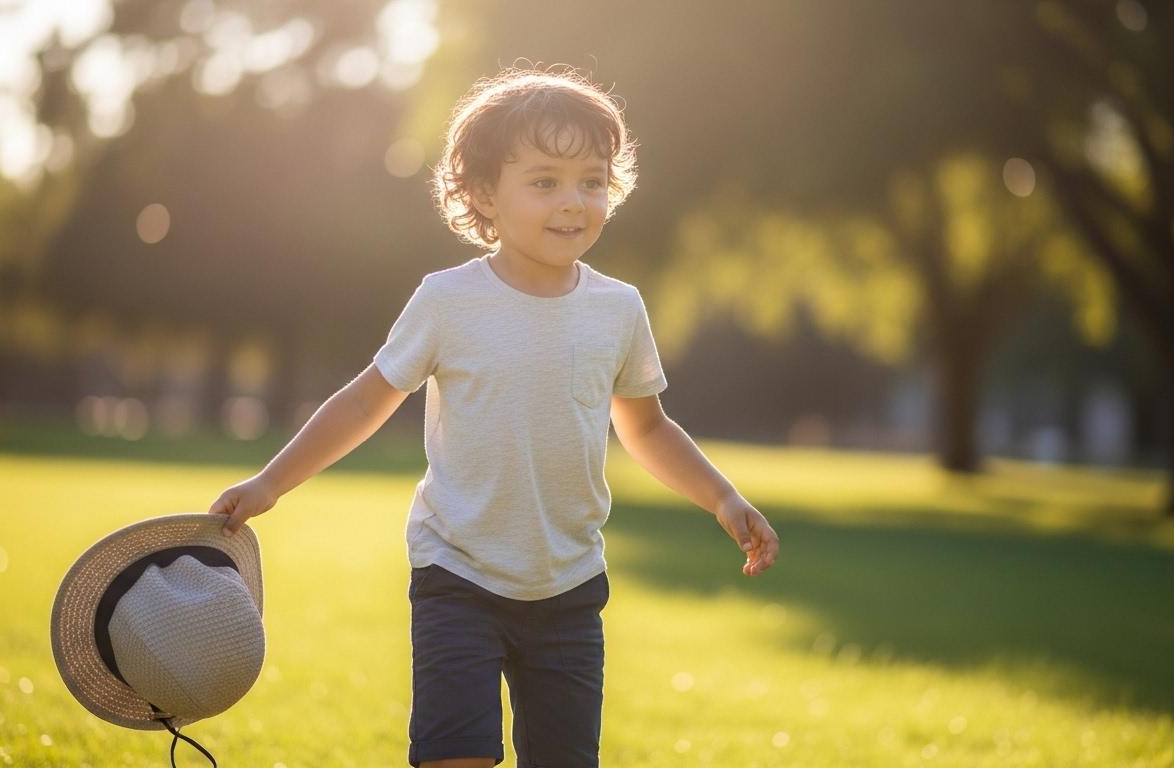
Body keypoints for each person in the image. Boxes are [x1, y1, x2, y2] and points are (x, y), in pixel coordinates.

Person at [207, 67, 780, 768]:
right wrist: (270, 483)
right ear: (484, 194)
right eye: (544, 181)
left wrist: (722, 496)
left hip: (568, 585)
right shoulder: (449, 300)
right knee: (457, 756)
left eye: (592, 180)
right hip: (459, 574)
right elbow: (365, 400)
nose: (573, 201)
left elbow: (648, 427)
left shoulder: (618, 309)